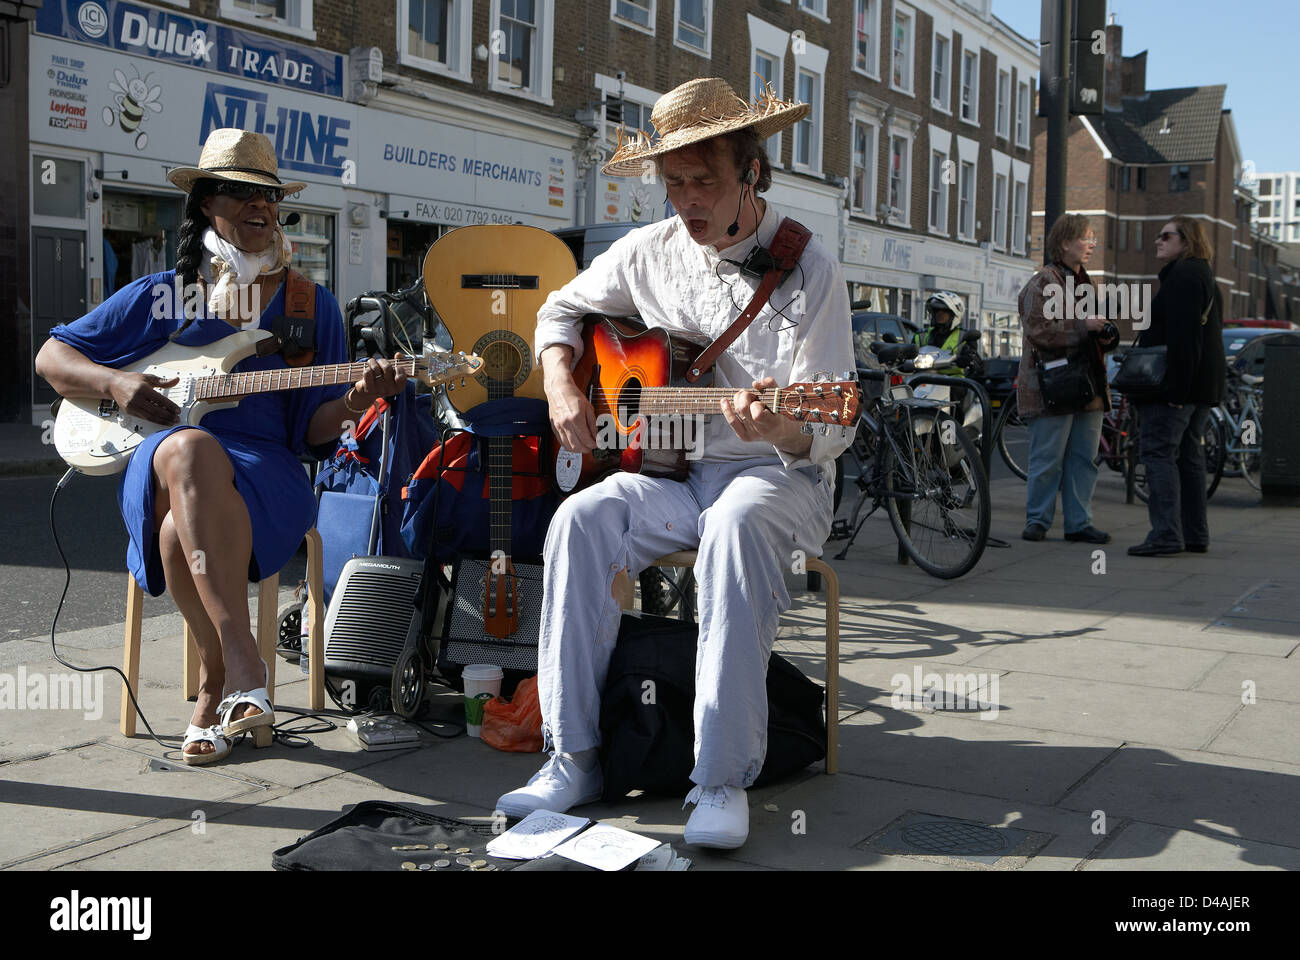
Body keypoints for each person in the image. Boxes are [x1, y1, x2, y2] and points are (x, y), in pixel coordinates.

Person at [494, 78, 853, 849]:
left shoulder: (809, 268)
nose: (687, 200)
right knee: (579, 519)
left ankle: (720, 779)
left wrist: (783, 428)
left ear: (751, 171)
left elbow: (832, 427)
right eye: (675, 183)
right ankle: (575, 756)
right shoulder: (646, 251)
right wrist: (561, 383)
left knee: (734, 523)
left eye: (706, 181)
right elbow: (559, 310)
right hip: (671, 474)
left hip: (776, 478)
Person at [35, 129, 407, 764]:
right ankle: (245, 661)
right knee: (187, 449)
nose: (258, 207)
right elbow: (52, 356)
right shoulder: (163, 294)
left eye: (267, 196)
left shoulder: (308, 304)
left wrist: (359, 399)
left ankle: (215, 682)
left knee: (182, 528)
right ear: (206, 203)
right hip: (160, 455)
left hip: (267, 470)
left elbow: (318, 429)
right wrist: (118, 383)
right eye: (238, 193)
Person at [1016, 214, 1118, 544]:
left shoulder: (1083, 282)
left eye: (1093, 239)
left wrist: (1103, 333)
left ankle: (1079, 522)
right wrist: (1083, 327)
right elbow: (1038, 330)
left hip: (1087, 384)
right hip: (1053, 385)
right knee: (1047, 458)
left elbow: (1084, 329)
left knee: (1083, 458)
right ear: (1064, 243)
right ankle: (1037, 521)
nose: (1091, 245)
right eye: (1085, 238)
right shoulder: (1043, 282)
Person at [1128, 216, 1226, 556]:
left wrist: (1176, 392)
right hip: (1200, 388)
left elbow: (1186, 341)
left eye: (1166, 236)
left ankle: (1166, 534)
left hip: (1177, 388)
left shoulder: (1184, 277)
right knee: (1188, 457)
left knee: (1158, 454)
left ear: (1187, 241)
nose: (1158, 240)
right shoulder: (1204, 276)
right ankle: (1195, 534)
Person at [914, 291, 982, 378]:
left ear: (954, 315)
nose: (939, 314)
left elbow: (974, 360)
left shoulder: (964, 336)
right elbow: (909, 353)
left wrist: (967, 359)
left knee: (959, 389)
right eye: (936, 310)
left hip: (953, 380)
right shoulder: (921, 336)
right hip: (922, 378)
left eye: (944, 311)